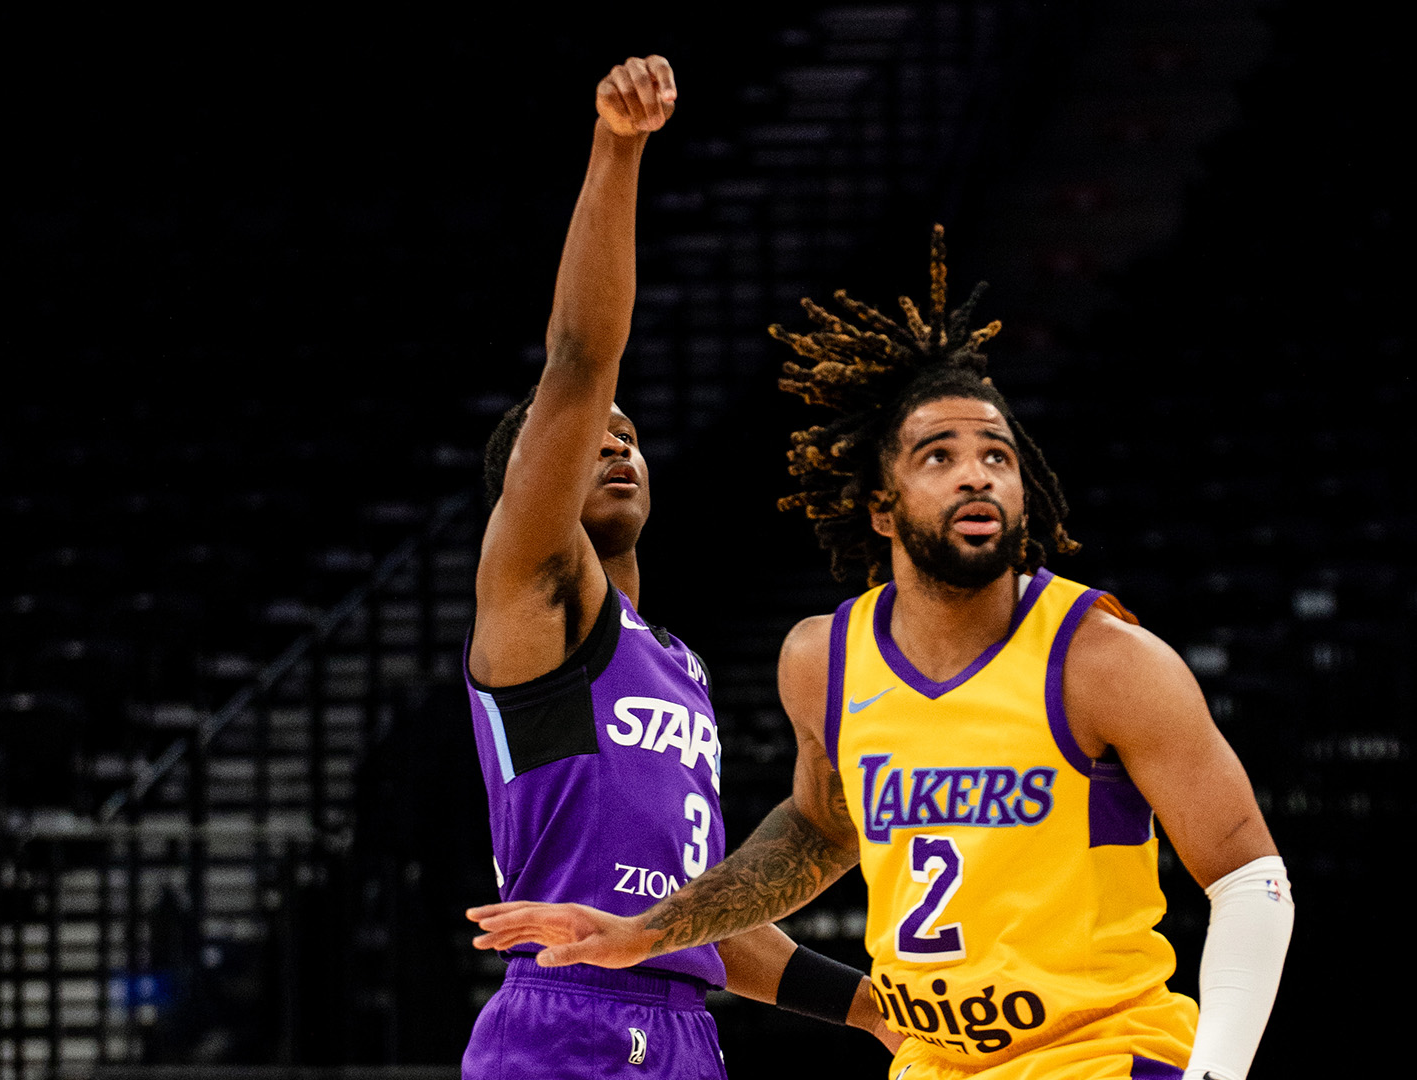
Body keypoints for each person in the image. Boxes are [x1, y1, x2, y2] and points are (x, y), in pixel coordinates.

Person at [469, 227, 1294, 1080]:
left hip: (1094, 1054)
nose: (976, 475)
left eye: (998, 456)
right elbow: (818, 828)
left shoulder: (1102, 657)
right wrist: (649, 934)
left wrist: (1215, 1072)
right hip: (898, 1057)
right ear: (881, 504)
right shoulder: (821, 661)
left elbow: (1249, 876)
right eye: (940, 456)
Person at [460, 55, 897, 1079]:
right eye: (592, 436)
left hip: (682, 1026)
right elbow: (581, 357)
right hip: (567, 1016)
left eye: (632, 436)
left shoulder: (676, 664)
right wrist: (618, 149)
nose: (616, 444)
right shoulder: (536, 591)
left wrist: (874, 1009)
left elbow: (692, 917)